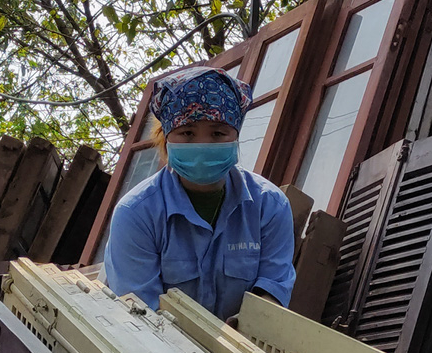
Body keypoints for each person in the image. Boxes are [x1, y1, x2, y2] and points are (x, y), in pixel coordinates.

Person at [103, 65, 297, 319]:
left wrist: (246, 333)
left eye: (217, 133)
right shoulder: (137, 214)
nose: (203, 145)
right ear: (167, 138)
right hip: (155, 349)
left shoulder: (269, 206)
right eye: (187, 133)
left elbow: (273, 287)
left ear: (235, 136)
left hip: (241, 349)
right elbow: (141, 312)